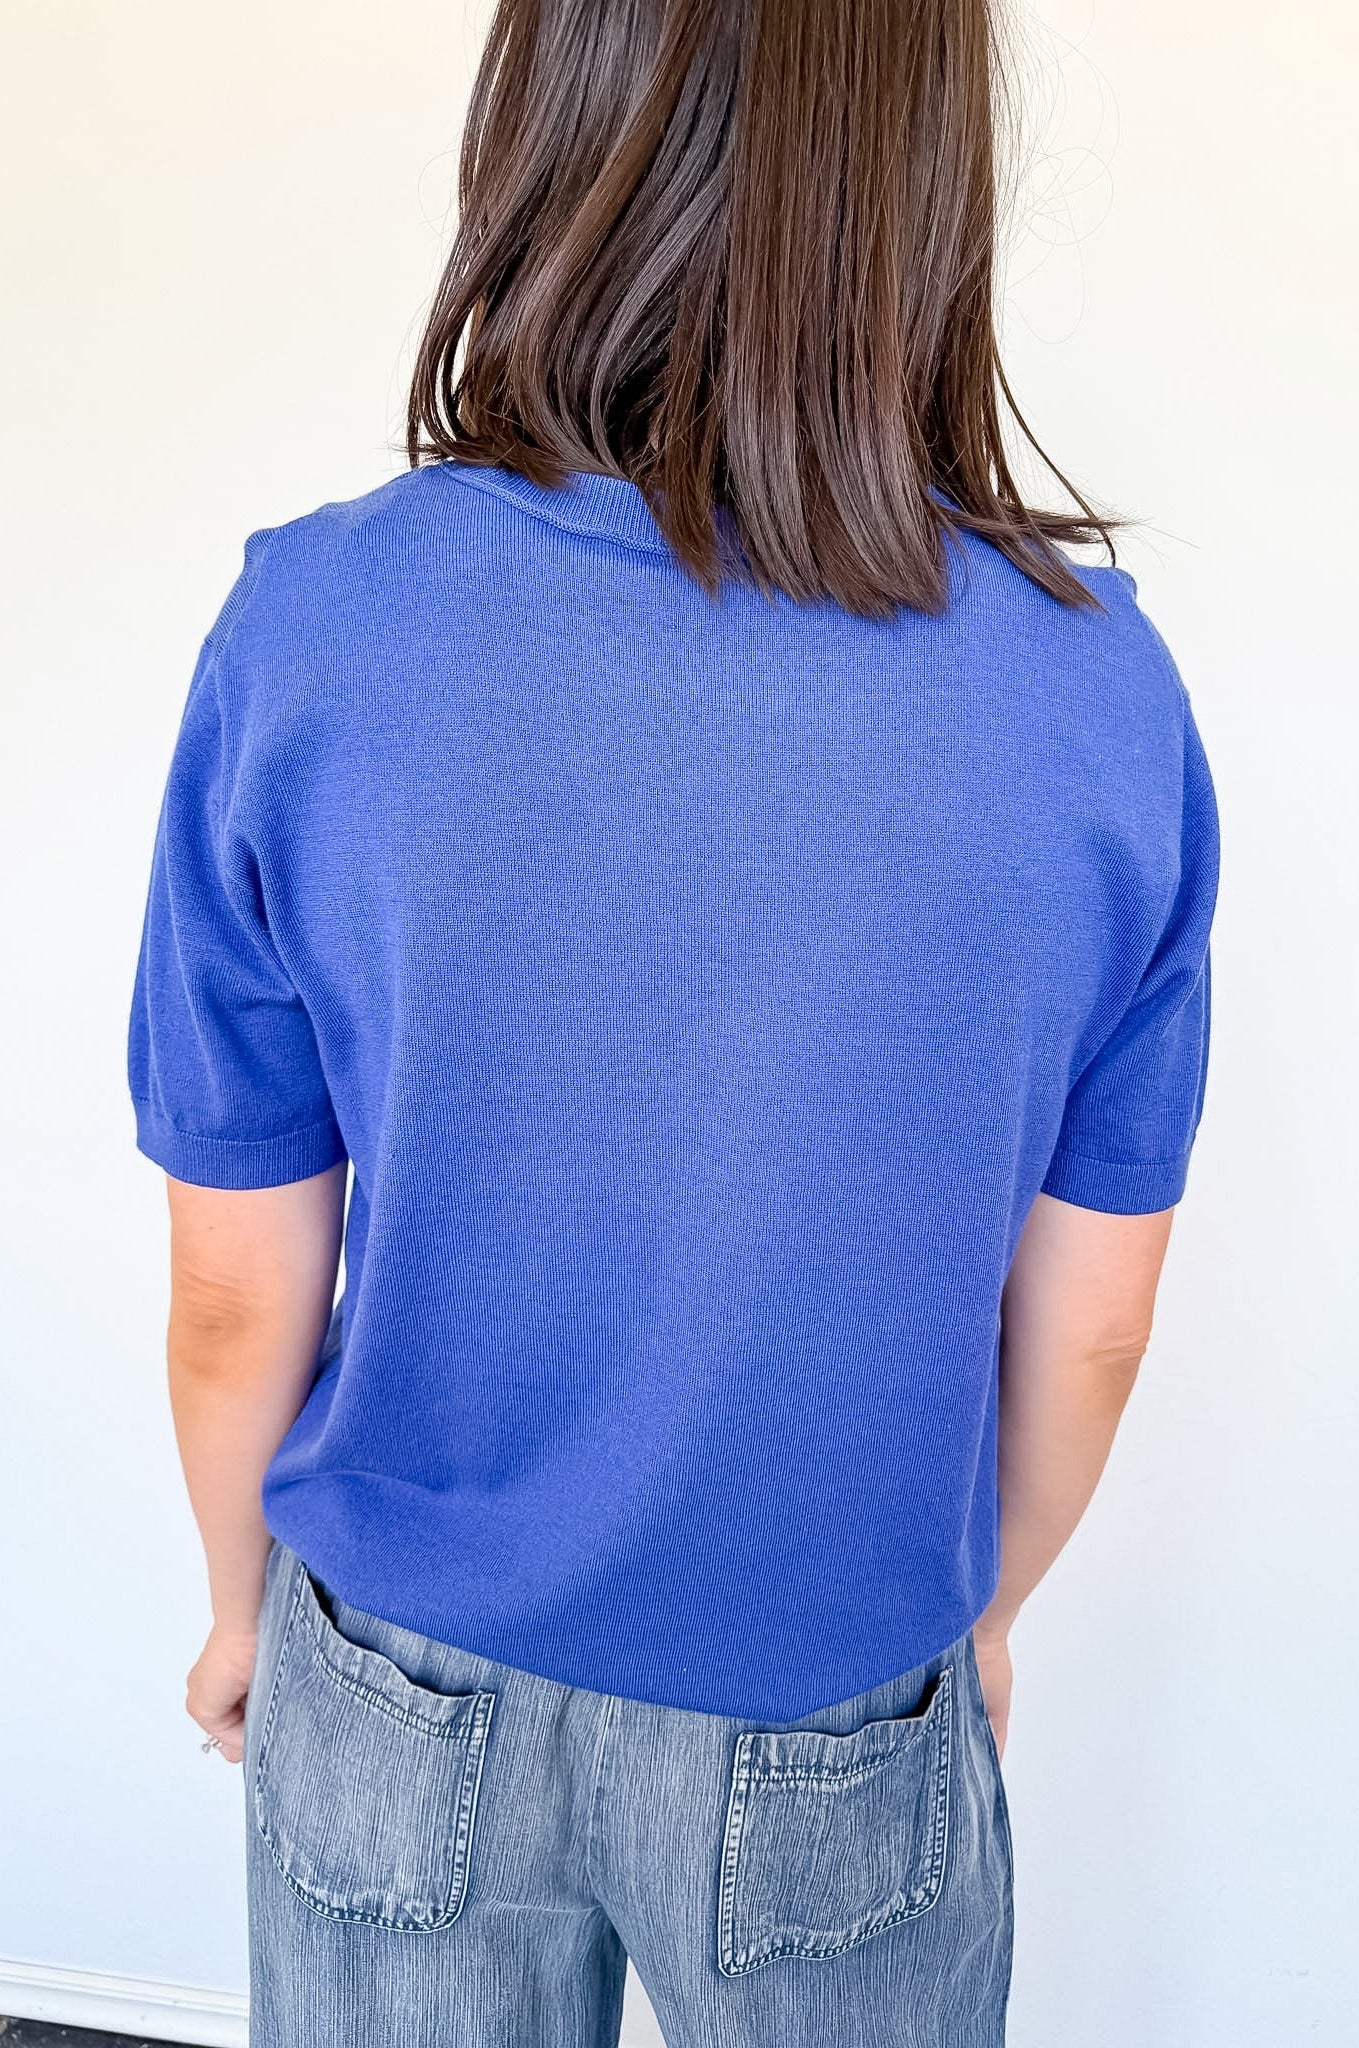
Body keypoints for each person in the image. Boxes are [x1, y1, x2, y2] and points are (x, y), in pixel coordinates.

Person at [128, 2, 1219, 2042]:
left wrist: (231, 1606)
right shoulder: (1098, 701)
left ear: (546, 121)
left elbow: (226, 1287)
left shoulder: (312, 627)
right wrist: (975, 1617)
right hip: (833, 1692)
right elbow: (1090, 1319)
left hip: (397, 1674)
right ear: (918, 188)